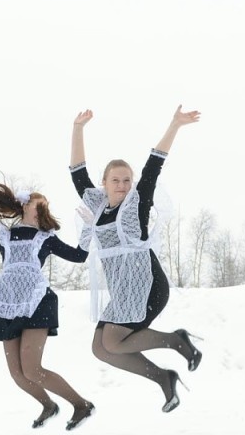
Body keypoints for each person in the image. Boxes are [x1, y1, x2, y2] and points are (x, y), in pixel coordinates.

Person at [70, 105, 203, 413]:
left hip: (148, 286)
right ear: (104, 183)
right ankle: (164, 379)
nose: (122, 186)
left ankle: (177, 341)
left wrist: (174, 124)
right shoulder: (97, 205)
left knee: (114, 341)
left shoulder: (136, 205)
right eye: (116, 180)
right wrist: (77, 129)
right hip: (122, 291)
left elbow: (155, 163)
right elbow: (77, 171)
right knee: (100, 349)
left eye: (126, 180)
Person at [0, 182, 94, 430]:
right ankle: (48, 405)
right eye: (37, 205)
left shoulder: (47, 239)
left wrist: (88, 228)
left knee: (33, 370)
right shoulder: (5, 236)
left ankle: (81, 404)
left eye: (44, 207)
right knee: (17, 374)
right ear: (24, 206)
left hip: (37, 303)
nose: (41, 210)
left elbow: (79, 256)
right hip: (7, 303)